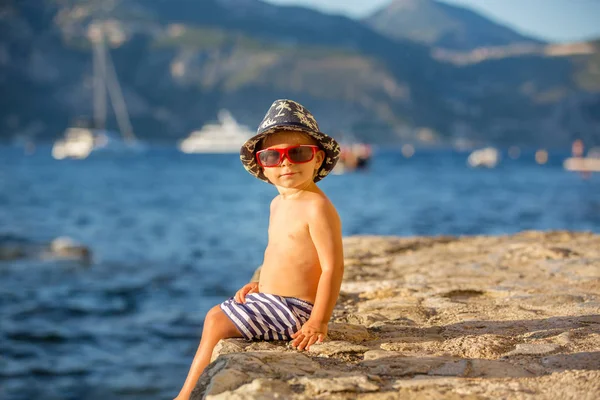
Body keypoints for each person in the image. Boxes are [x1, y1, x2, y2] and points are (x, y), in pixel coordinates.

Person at [174, 99, 344, 400]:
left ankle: (185, 395)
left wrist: (319, 320)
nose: (287, 163)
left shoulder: (317, 207)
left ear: (317, 159)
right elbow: (283, 254)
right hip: (274, 298)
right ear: (263, 166)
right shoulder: (278, 204)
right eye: (273, 156)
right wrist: (261, 284)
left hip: (297, 309)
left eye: (299, 153)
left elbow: (332, 267)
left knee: (215, 320)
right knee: (215, 314)